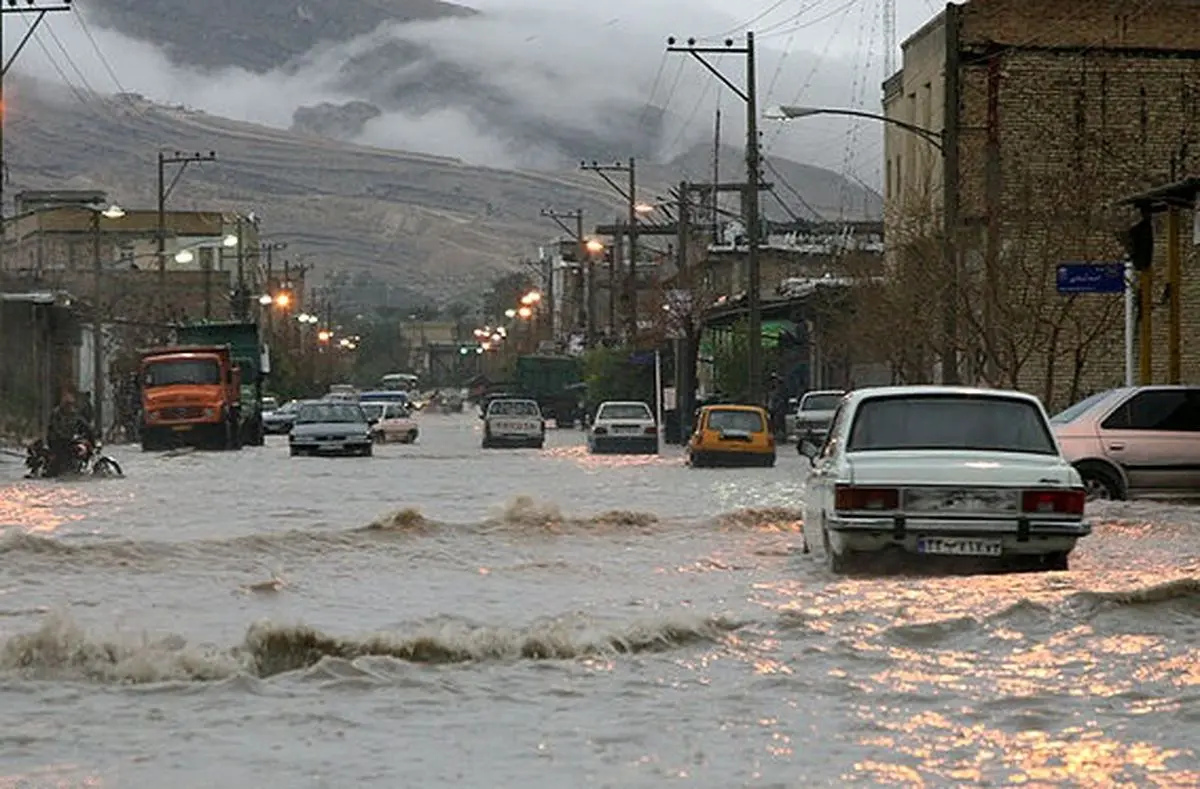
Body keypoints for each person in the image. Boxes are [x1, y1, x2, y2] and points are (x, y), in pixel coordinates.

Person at [44, 389, 93, 477]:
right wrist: (65, 436)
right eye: (67, 404)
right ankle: (54, 470)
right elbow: (56, 428)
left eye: (71, 404)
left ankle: (79, 465)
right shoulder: (57, 414)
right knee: (61, 453)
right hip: (56, 440)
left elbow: (84, 424)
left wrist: (92, 434)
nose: (69, 407)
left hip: (71, 439)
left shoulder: (74, 414)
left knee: (79, 447)